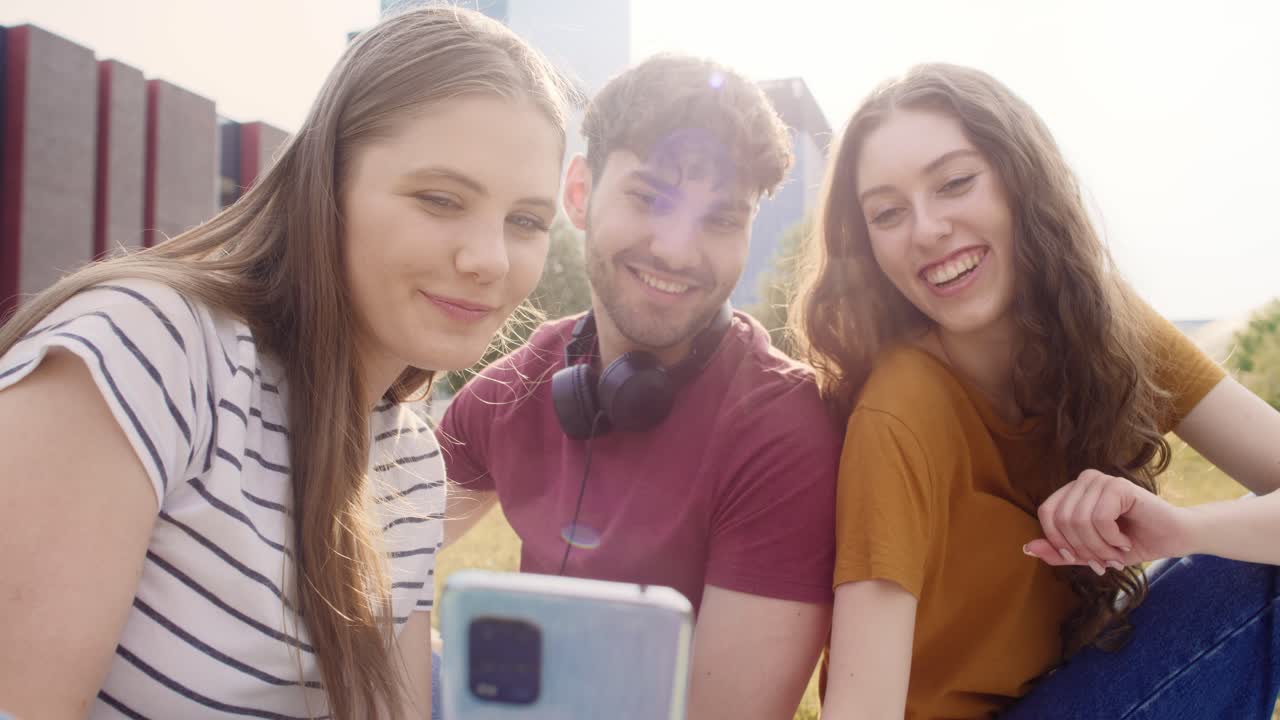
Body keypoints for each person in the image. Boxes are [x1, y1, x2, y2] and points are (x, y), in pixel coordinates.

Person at [0, 7, 576, 718]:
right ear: (325, 185)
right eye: (440, 199)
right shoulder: (149, 351)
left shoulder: (414, 468)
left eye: (526, 221)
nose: (489, 259)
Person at [797, 63, 1280, 719]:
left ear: (1022, 181)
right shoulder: (899, 411)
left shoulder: (1112, 330)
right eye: (887, 213)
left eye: (955, 183)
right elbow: (861, 708)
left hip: (1075, 689)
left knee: (1250, 550)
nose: (927, 229)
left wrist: (1184, 531)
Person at [439, 53, 840, 718]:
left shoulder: (783, 429)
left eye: (720, 219)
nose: (678, 251)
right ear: (578, 193)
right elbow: (363, 549)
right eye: (650, 199)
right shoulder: (513, 390)